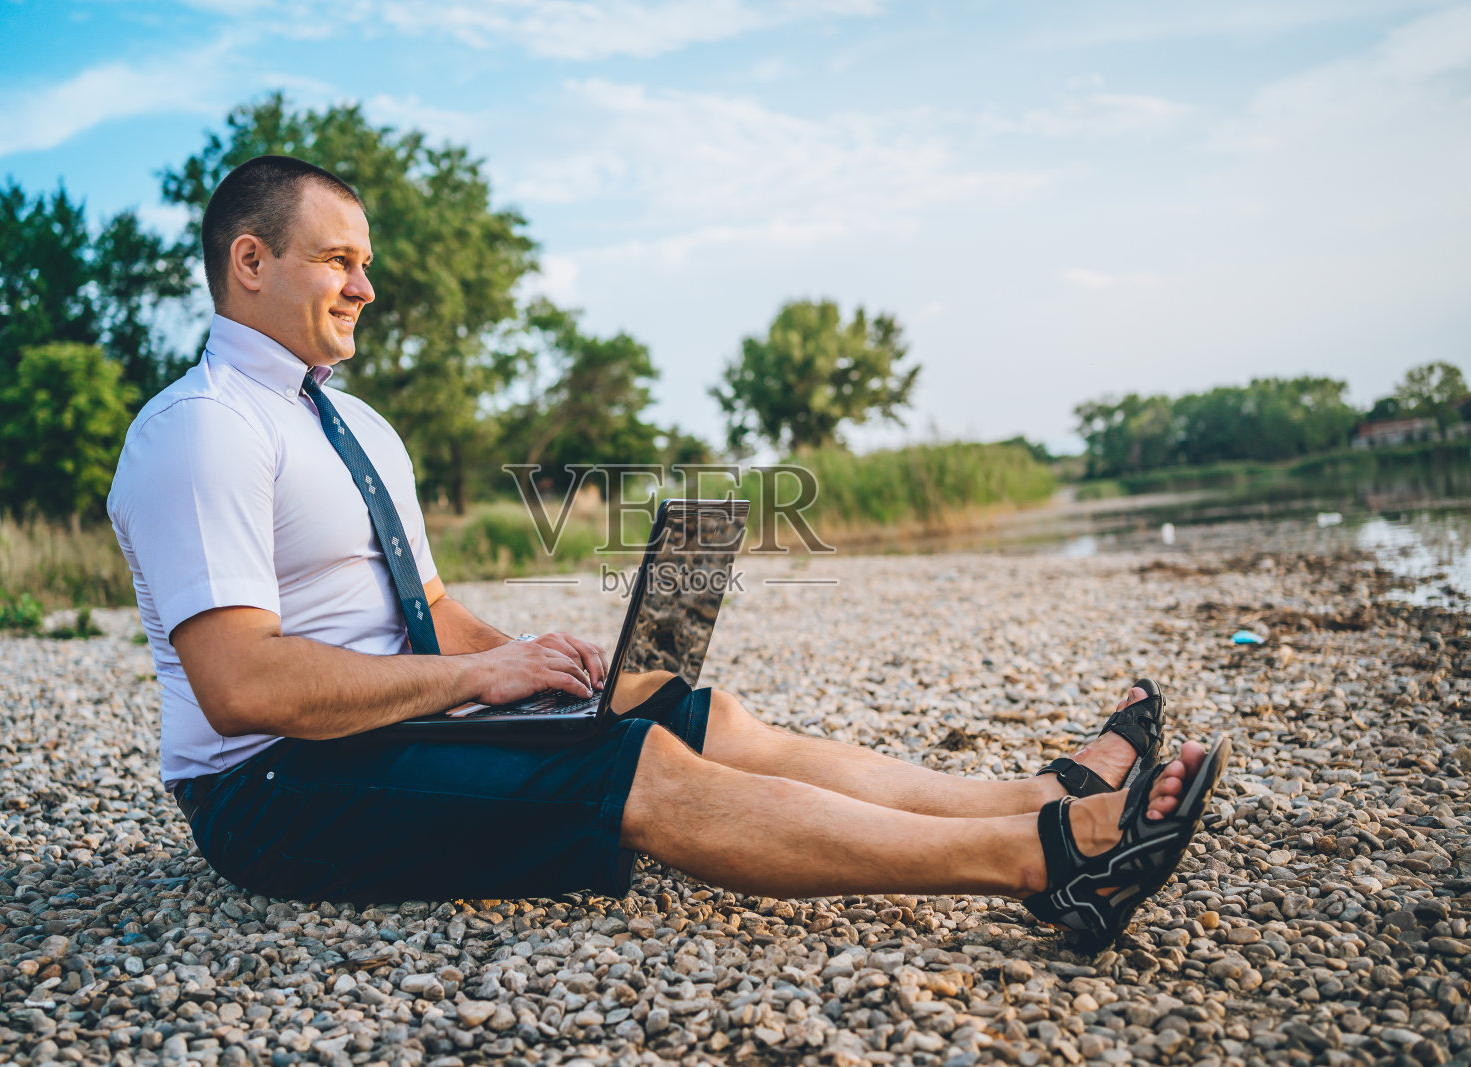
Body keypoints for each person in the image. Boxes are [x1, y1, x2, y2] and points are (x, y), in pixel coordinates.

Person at [108, 155, 1226, 953]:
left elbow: (431, 610)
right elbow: (243, 683)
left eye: (364, 262)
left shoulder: (354, 425)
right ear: (249, 260)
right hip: (270, 794)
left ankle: (1033, 791)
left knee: (693, 716)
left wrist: (542, 664)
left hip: (386, 725)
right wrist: (473, 680)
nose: (366, 286)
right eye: (338, 260)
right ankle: (1049, 857)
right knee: (635, 771)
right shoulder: (201, 427)